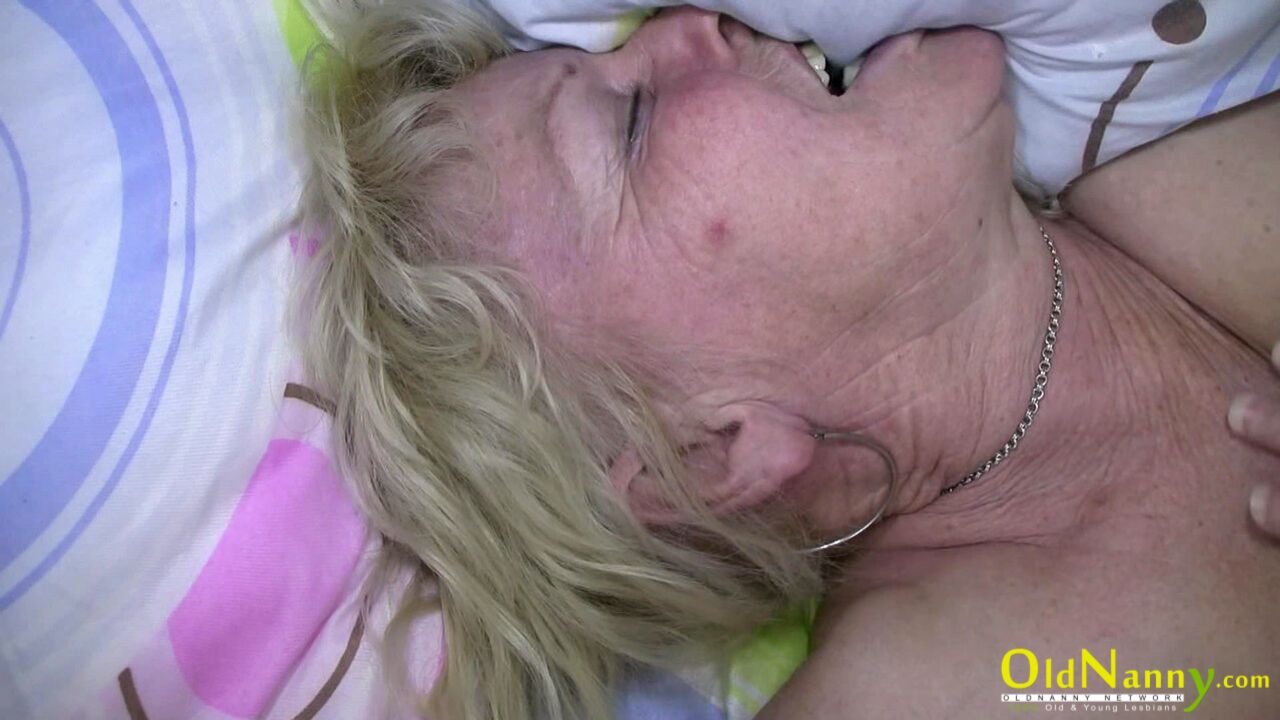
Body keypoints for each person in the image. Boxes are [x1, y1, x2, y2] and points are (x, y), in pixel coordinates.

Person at [296, 2, 1280, 718]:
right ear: (712, 454)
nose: (696, 22)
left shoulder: (1167, 157)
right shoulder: (933, 690)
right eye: (631, 122)